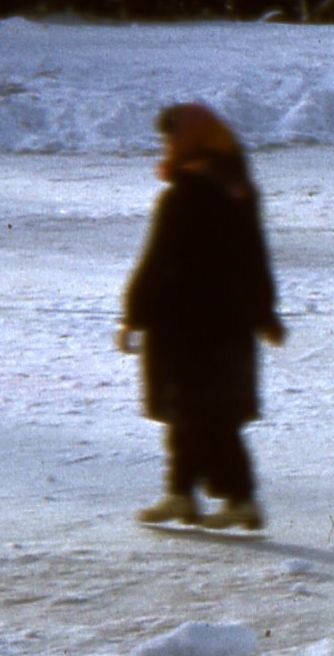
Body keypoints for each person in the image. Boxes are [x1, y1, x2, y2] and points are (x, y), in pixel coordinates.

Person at [118, 102, 284, 531]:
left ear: (191, 139)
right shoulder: (237, 186)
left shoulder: (184, 192)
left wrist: (132, 315)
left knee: (196, 414)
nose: (167, 145)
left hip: (183, 324)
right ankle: (183, 495)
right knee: (201, 413)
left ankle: (237, 499)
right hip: (226, 323)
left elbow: (157, 259)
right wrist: (263, 311)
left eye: (171, 137)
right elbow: (254, 255)